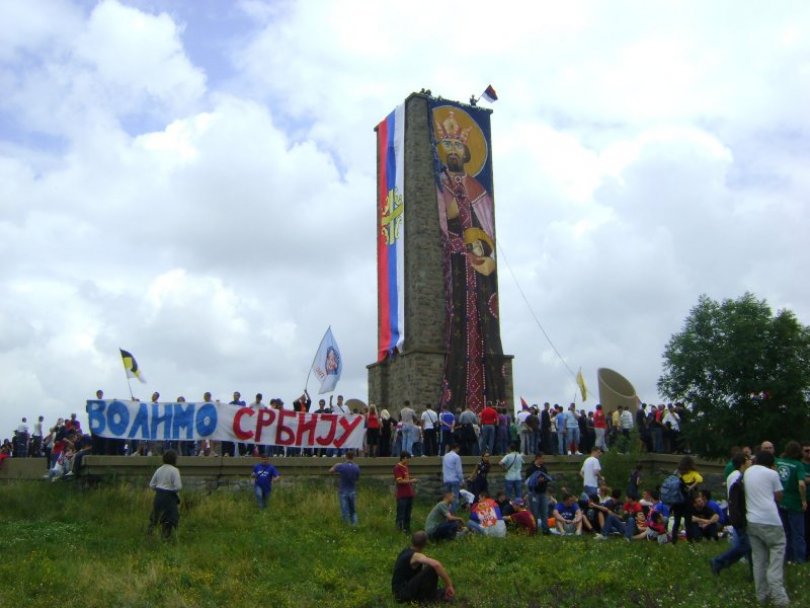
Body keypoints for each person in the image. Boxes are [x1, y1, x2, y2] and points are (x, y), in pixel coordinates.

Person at [433, 105, 506, 413]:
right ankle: (458, 399)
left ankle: (489, 402)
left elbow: (487, 235)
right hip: (454, 272)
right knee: (457, 328)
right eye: (446, 145)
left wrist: (487, 262)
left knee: (483, 330)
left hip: (479, 274)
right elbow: (441, 225)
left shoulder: (479, 190)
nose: (451, 150)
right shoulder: (439, 186)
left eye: (457, 145)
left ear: (466, 152)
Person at [745, 450, 789, 607]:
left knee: (759, 560)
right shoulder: (772, 474)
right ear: (771, 463)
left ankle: (762, 597)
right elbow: (778, 496)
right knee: (776, 556)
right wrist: (774, 472)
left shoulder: (748, 472)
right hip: (771, 520)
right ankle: (779, 597)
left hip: (752, 520)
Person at [710, 452, 752, 575]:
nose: (751, 462)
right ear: (743, 462)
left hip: (739, 515)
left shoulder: (738, 475)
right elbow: (735, 497)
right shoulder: (737, 476)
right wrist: (738, 517)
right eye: (748, 460)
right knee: (745, 546)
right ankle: (718, 561)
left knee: (747, 546)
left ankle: (753, 573)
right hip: (738, 515)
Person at [391, 531, 455, 603]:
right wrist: (449, 585)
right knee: (432, 569)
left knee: (427, 571)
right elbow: (436, 564)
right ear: (425, 543)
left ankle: (429, 595)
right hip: (402, 595)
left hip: (398, 592)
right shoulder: (415, 556)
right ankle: (430, 598)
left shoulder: (406, 551)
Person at [776, 440, 807, 564]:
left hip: (781, 501)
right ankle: (800, 560)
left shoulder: (778, 462)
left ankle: (786, 558)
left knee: (785, 532)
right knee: (798, 534)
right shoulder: (798, 465)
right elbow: (802, 484)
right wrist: (803, 500)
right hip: (794, 503)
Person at [148, 450, 182, 539]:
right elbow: (178, 486)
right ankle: (166, 537)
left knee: (156, 517)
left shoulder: (159, 469)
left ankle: (150, 536)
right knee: (169, 519)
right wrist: (172, 490)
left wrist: (159, 489)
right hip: (169, 497)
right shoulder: (174, 470)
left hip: (158, 495)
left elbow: (151, 484)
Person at [670, 455, 703, 544]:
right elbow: (700, 479)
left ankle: (673, 540)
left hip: (677, 501)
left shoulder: (677, 472)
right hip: (687, 501)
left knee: (676, 521)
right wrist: (692, 486)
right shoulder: (693, 473)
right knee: (688, 522)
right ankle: (690, 541)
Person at [330, 451, 360, 525]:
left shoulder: (342, 466)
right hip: (352, 490)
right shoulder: (356, 467)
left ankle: (346, 525)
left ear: (346, 456)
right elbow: (357, 478)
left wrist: (335, 465)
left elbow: (331, 471)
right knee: (353, 510)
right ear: (353, 457)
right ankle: (355, 524)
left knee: (344, 510)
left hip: (343, 490)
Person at [526, 452, 551, 534]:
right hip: (534, 493)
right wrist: (537, 481)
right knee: (534, 512)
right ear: (538, 458)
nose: (543, 460)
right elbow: (528, 481)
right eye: (542, 458)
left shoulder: (544, 468)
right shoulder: (530, 469)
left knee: (544, 512)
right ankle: (534, 529)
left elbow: (547, 478)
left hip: (543, 493)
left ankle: (545, 529)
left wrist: (544, 480)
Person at [394, 451, 417, 533]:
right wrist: (411, 480)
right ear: (403, 458)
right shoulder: (397, 467)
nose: (408, 461)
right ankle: (399, 529)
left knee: (408, 514)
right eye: (407, 459)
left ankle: (407, 529)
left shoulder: (405, 467)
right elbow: (399, 481)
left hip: (409, 494)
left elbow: (406, 478)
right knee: (401, 514)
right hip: (402, 495)